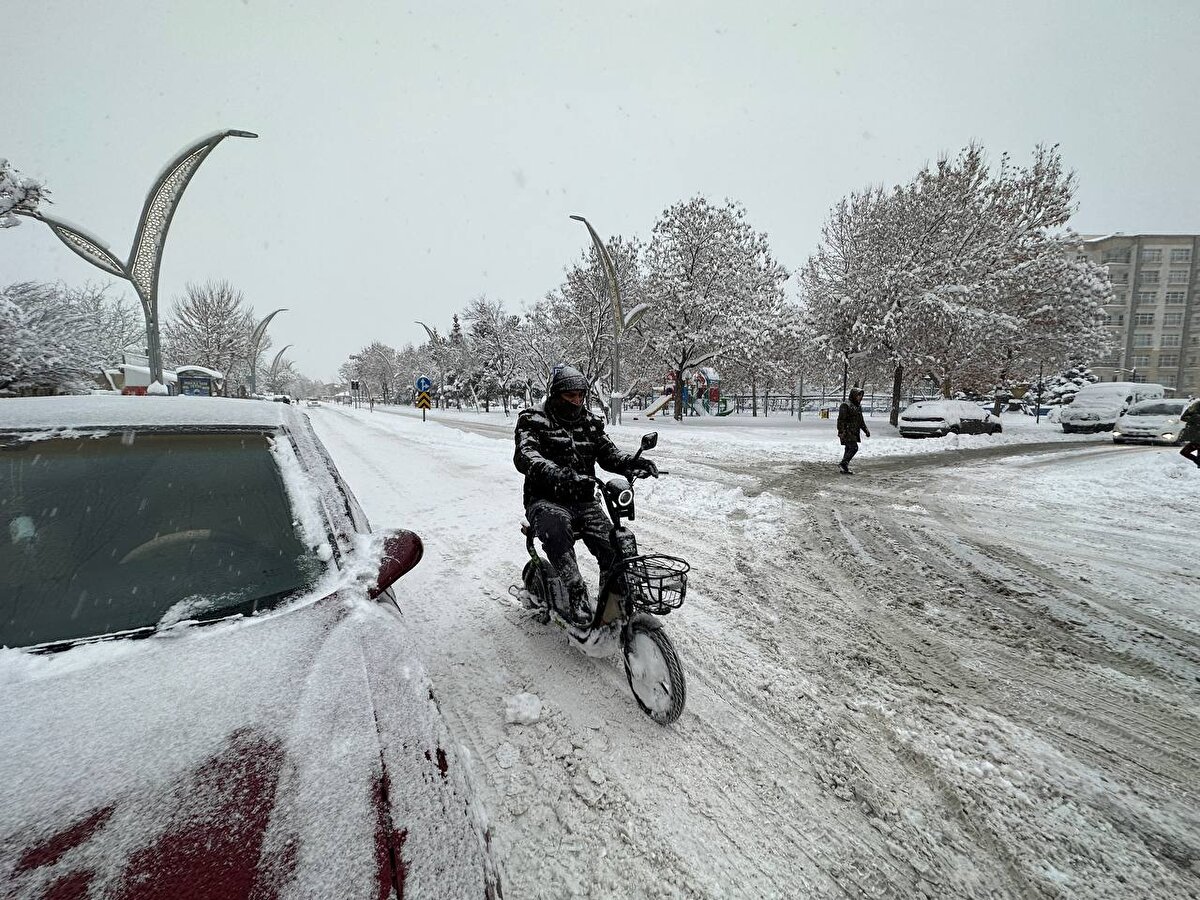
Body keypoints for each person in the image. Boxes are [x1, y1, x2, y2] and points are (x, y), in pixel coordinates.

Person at [514, 364, 657, 623]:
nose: (577, 401)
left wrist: (632, 462)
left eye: (581, 395)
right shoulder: (532, 420)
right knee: (557, 529)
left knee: (614, 543)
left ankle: (612, 602)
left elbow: (608, 454)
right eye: (571, 396)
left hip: (584, 499)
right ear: (556, 395)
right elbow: (526, 456)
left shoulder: (590, 422)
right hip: (545, 499)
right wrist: (557, 473)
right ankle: (575, 590)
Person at [836, 388, 870, 474]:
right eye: (858, 395)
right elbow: (841, 419)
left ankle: (844, 467)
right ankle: (843, 463)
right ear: (854, 395)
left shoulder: (858, 406)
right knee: (854, 448)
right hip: (846, 431)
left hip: (854, 431)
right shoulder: (845, 405)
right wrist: (841, 431)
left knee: (848, 448)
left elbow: (861, 421)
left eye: (861, 395)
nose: (860, 397)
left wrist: (866, 430)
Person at [1180, 398, 1200, 468]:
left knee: (1185, 452)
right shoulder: (1197, 405)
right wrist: (1195, 418)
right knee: (1184, 452)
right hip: (1196, 438)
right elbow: (1183, 417)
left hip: (1196, 438)